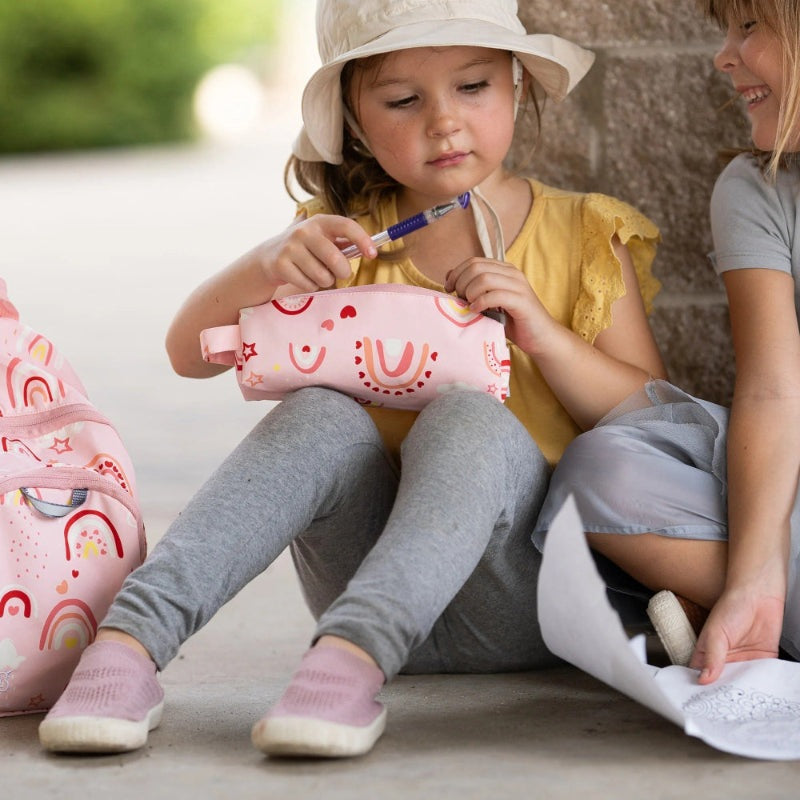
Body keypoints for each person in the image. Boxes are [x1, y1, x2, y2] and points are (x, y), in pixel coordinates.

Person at [38, 0, 665, 758]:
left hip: (521, 599)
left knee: (467, 417)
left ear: (518, 87)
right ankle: (129, 645)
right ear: (358, 122)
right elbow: (186, 352)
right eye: (403, 100)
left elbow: (653, 424)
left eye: (473, 88)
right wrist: (265, 265)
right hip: (353, 583)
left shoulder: (584, 234)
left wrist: (545, 335)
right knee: (322, 413)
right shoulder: (342, 241)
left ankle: (347, 670)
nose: (444, 122)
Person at [535, 0, 800, 686]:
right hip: (789, 492)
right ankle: (756, 606)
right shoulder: (758, 190)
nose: (724, 56)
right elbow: (773, 389)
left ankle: (731, 608)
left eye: (749, 28)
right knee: (600, 472)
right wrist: (753, 574)